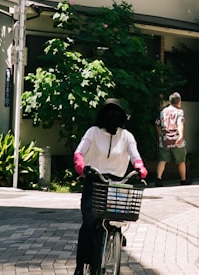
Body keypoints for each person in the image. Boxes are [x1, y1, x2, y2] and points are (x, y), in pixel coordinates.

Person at [72, 99, 147, 275]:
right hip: (95, 179)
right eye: (109, 114)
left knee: (116, 217)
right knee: (89, 224)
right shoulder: (93, 132)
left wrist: (140, 168)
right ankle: (81, 265)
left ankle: (116, 234)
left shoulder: (127, 136)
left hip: (117, 183)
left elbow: (135, 155)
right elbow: (79, 152)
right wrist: (81, 167)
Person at [155, 92, 189, 185]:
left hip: (164, 139)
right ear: (179, 101)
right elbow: (180, 124)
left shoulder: (163, 111)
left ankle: (158, 179)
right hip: (176, 138)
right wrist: (181, 136)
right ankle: (183, 179)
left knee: (162, 160)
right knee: (181, 160)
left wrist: (160, 135)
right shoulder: (179, 111)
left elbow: (157, 124)